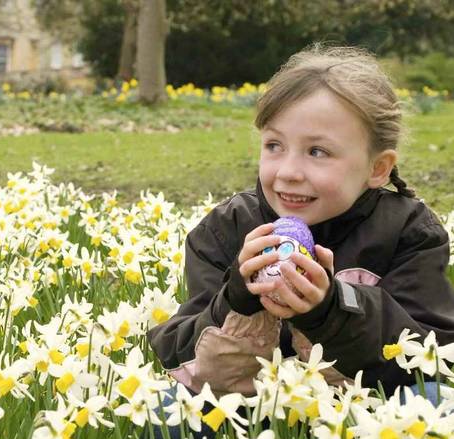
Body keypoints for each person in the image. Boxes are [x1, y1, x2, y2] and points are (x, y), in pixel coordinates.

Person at [147, 44, 454, 417]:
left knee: (439, 404)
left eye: (317, 152)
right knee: (162, 414)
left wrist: (331, 310)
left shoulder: (409, 233)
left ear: (377, 168)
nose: (288, 171)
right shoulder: (225, 231)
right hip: (249, 411)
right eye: (274, 145)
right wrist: (237, 297)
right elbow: (179, 358)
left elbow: (433, 356)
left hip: (361, 414)